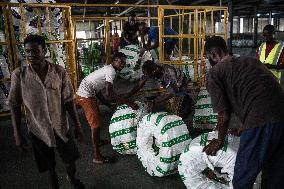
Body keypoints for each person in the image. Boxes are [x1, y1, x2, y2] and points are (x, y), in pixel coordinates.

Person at [203, 36, 284, 189]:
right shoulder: (250, 61)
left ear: (213, 54)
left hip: (260, 119)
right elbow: (256, 90)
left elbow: (224, 115)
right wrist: (243, 124)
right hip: (281, 114)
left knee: (242, 178)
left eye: (208, 56)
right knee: (276, 174)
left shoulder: (215, 73)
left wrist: (219, 141)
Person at [8, 34, 85, 189]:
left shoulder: (59, 72)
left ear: (45, 51)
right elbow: (14, 105)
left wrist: (77, 125)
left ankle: (72, 178)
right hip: (38, 129)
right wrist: (17, 134)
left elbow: (69, 101)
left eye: (36, 51)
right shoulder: (19, 75)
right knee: (49, 166)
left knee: (70, 160)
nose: (31, 55)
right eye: (28, 52)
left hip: (61, 126)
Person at [76, 52, 138, 164]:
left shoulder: (108, 69)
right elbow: (109, 92)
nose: (122, 64)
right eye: (120, 62)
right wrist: (128, 102)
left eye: (124, 62)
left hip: (89, 92)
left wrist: (107, 104)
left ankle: (98, 141)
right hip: (85, 95)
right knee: (95, 125)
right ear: (114, 61)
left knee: (96, 118)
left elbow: (98, 88)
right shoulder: (111, 71)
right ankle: (96, 156)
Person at [126, 60, 192, 119]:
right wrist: (129, 94)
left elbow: (171, 93)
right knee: (152, 87)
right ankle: (159, 96)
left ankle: (185, 103)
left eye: (148, 75)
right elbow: (140, 83)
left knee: (178, 97)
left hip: (179, 82)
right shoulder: (153, 68)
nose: (146, 76)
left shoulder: (168, 73)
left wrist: (153, 102)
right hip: (163, 81)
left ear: (154, 71)